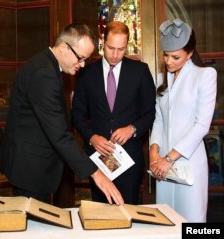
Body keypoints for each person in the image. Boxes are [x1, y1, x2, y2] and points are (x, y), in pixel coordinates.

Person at [0, 24, 124, 206]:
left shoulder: (47, 65)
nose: (82, 65)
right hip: (30, 169)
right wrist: (96, 173)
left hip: (33, 165)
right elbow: (59, 134)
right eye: (80, 58)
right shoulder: (44, 73)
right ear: (64, 46)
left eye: (85, 60)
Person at [71, 21, 156, 204]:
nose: (116, 55)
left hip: (129, 161)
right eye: (111, 48)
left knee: (128, 217)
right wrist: (91, 137)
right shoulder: (86, 73)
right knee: (101, 220)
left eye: (121, 49)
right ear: (103, 42)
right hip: (98, 162)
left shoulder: (140, 71)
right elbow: (77, 114)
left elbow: (150, 114)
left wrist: (132, 129)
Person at [149, 19, 217, 222]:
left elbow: (202, 125)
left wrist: (169, 158)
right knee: (166, 222)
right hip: (162, 166)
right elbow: (159, 120)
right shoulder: (161, 79)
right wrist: (154, 152)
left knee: (192, 221)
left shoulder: (205, 75)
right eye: (166, 55)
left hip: (188, 163)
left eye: (175, 56)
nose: (169, 61)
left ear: (189, 53)